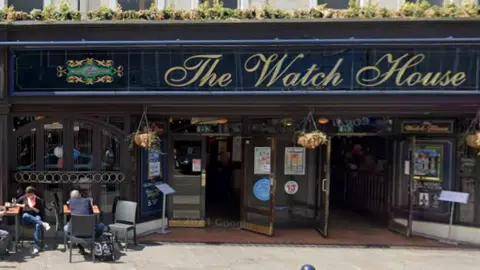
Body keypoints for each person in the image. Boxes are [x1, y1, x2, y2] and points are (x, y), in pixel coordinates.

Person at [64, 190, 105, 255]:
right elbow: (91, 213)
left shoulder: (70, 202)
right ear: (80, 195)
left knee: (66, 227)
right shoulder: (87, 201)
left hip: (76, 233)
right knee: (102, 226)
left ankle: (78, 243)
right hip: (90, 232)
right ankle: (93, 244)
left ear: (71, 197)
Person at [17, 186, 50, 255]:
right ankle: (43, 223)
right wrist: (23, 206)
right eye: (26, 194)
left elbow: (40, 212)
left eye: (29, 194)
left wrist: (32, 208)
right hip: (26, 219)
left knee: (37, 224)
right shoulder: (24, 197)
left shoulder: (38, 200)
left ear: (32, 194)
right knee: (25, 215)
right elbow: (15, 203)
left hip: (35, 216)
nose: (27, 195)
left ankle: (36, 247)